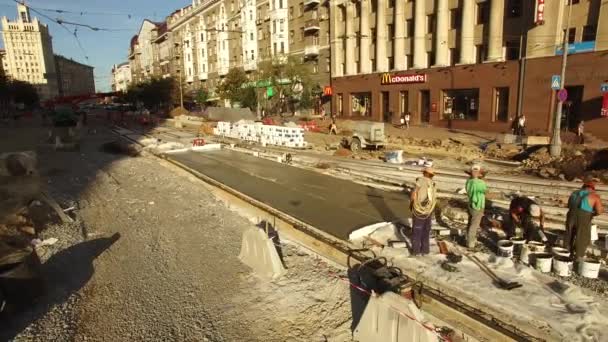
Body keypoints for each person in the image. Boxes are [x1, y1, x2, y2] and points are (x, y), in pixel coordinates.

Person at [565, 176, 604, 260]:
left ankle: (566, 253)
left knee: (570, 234)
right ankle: (578, 257)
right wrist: (592, 214)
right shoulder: (594, 196)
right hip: (584, 217)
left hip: (571, 215)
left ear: (583, 187)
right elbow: (599, 211)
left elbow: (569, 205)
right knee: (582, 236)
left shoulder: (574, 193)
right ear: (592, 188)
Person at [409, 166, 438, 256]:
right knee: (426, 229)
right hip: (429, 209)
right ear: (432, 175)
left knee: (417, 229)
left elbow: (414, 193)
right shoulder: (433, 183)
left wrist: (411, 203)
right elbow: (434, 197)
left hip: (420, 207)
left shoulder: (420, 180)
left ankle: (416, 251)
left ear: (424, 173)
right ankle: (425, 251)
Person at [465, 165, 487, 250]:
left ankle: (468, 240)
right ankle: (470, 244)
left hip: (471, 204)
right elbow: (485, 190)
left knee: (470, 223)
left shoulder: (469, 181)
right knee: (474, 225)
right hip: (478, 205)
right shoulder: (480, 183)